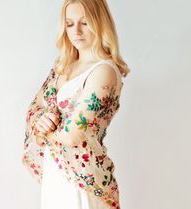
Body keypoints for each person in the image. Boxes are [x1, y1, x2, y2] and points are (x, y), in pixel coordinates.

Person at [22, 0, 130, 209]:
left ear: (99, 22)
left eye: (85, 23)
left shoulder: (104, 71)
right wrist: (42, 119)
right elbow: (33, 109)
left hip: (83, 180)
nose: (76, 32)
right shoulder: (63, 67)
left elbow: (73, 134)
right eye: (70, 24)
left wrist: (44, 129)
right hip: (56, 173)